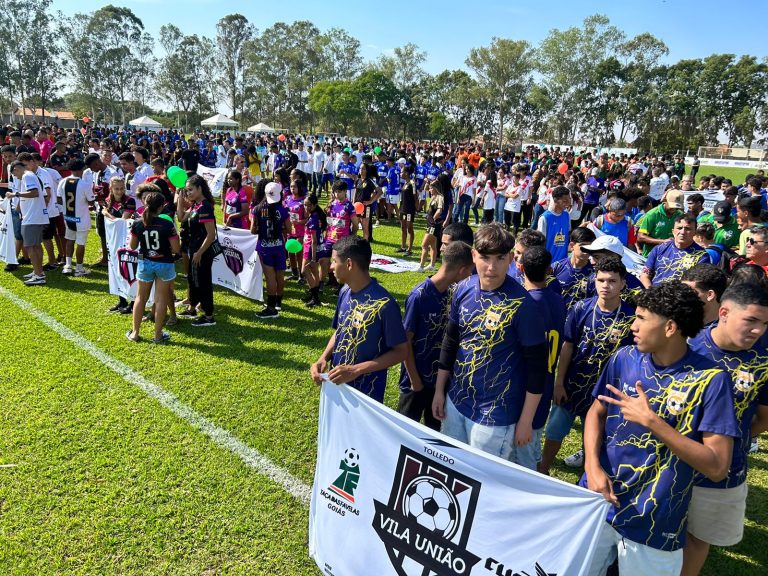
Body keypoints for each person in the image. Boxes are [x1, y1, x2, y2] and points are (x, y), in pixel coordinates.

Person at [582, 282, 739, 576]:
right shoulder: (624, 358)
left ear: (669, 328)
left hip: (656, 521)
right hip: (599, 501)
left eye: (642, 318)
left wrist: (653, 422)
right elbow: (596, 412)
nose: (633, 325)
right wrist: (591, 465)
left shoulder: (712, 380)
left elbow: (717, 467)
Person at [432, 223, 548, 468]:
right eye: (484, 257)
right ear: (473, 256)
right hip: (456, 401)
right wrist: (440, 390)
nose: (491, 267)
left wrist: (526, 420)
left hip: (496, 415)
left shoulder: (523, 306)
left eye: (500, 258)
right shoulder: (463, 289)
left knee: (480, 480)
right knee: (450, 469)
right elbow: (451, 341)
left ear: (510, 259)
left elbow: (538, 369)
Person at [681, 283, 768, 574]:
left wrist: (731, 442)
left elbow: (764, 418)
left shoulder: (764, 360)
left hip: (724, 472)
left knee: (697, 538)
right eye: (751, 320)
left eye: (765, 323)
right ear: (724, 313)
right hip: (671, 464)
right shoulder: (687, 345)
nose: (758, 330)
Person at [539, 257, 635, 475]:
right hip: (572, 386)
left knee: (594, 440)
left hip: (604, 393)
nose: (606, 286)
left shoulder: (630, 318)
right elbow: (568, 346)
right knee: (554, 431)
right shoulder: (581, 308)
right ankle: (543, 467)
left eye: (612, 281)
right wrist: (559, 383)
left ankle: (586, 478)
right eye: (601, 280)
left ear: (622, 283)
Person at [310, 235, 408, 402]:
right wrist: (323, 357)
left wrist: (356, 370)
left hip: (366, 396)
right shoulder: (344, 292)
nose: (331, 267)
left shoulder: (384, 305)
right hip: (338, 386)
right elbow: (341, 330)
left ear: (349, 264)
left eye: (334, 261)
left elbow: (401, 352)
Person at [398, 241, 474, 430]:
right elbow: (404, 343)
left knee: (435, 434)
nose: (472, 276)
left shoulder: (453, 293)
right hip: (414, 383)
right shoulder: (419, 297)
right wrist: (415, 381)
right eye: (470, 270)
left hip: (439, 383)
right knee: (406, 433)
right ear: (462, 269)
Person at [521, 245, 567, 472]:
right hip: (547, 380)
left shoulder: (526, 303)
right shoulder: (558, 300)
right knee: (533, 438)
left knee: (521, 452)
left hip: (525, 384)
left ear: (520, 268)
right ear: (549, 270)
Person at [126, 191, 180, 344]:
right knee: (161, 299)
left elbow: (132, 245)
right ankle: (157, 335)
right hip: (164, 263)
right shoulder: (167, 224)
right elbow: (176, 249)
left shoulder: (138, 223)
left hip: (145, 263)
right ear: (161, 206)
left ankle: (135, 333)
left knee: (140, 298)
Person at [177, 174, 217, 327]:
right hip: (193, 250)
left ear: (200, 188)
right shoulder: (195, 205)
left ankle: (208, 316)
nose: (188, 193)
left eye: (190, 190)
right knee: (193, 280)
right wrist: (180, 200)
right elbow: (181, 218)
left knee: (203, 282)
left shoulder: (205, 206)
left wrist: (199, 253)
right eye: (186, 190)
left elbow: (211, 235)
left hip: (202, 252)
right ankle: (192, 308)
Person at [250, 181, 290, 318]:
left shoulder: (257, 209)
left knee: (270, 278)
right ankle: (278, 303)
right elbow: (290, 229)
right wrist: (279, 228)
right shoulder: (283, 210)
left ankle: (271, 308)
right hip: (279, 246)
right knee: (280, 275)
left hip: (264, 247)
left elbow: (252, 230)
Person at [640, 213, 710, 287]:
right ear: (673, 231)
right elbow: (644, 275)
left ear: (695, 232)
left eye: (688, 229)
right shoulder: (659, 249)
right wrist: (650, 292)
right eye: (679, 228)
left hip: (681, 296)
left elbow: (697, 285)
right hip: (654, 294)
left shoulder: (702, 256)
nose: (682, 232)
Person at [7, 160, 48, 285]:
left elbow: (34, 192)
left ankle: (39, 275)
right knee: (35, 245)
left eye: (15, 175)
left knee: (30, 246)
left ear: (16, 169)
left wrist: (15, 194)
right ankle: (38, 271)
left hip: (32, 217)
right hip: (34, 216)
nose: (16, 177)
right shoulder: (30, 175)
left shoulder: (26, 176)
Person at [57, 159, 95, 277]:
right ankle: (79, 268)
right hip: (81, 218)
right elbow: (91, 201)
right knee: (80, 243)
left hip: (68, 217)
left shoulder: (62, 182)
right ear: (82, 169)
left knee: (69, 239)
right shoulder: (85, 184)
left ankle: (68, 266)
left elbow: (59, 199)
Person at [552, 227, 596, 310]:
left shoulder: (595, 274)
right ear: (572, 246)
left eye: (590, 247)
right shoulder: (556, 267)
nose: (586, 251)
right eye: (583, 246)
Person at [637, 190, 685, 257]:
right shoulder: (652, 215)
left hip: (672, 257)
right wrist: (663, 241)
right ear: (665, 200)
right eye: (672, 205)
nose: (674, 209)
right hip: (652, 257)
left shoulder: (680, 215)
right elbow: (640, 237)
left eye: (677, 207)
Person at [301, 193, 327, 308]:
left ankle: (315, 297)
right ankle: (314, 295)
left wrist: (313, 257)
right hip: (313, 248)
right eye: (305, 205)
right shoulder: (316, 215)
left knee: (304, 271)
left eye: (309, 205)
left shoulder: (313, 219)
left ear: (315, 205)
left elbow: (314, 241)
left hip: (311, 250)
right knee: (315, 272)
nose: (306, 208)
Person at [537, 186, 571, 262]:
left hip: (563, 262)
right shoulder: (545, 218)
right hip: (549, 263)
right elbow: (540, 243)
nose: (568, 203)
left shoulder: (566, 215)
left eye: (569, 199)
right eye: (565, 201)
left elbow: (568, 234)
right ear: (556, 200)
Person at [418, 181, 445, 272]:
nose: (430, 190)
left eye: (431, 188)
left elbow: (439, 210)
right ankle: (432, 265)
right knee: (433, 245)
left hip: (433, 225)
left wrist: (434, 218)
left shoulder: (440, 197)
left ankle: (421, 266)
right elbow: (425, 189)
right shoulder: (433, 196)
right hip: (430, 224)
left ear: (436, 188)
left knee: (424, 245)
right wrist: (427, 183)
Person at [284, 179, 307, 281]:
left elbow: (307, 219)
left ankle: (302, 276)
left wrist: (299, 222)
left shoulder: (304, 201)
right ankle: (294, 273)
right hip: (290, 231)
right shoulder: (287, 199)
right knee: (290, 253)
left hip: (301, 232)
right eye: (291, 187)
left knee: (299, 253)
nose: (292, 189)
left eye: (295, 187)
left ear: (300, 188)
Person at [397, 164, 416, 255]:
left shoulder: (412, 183)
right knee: (403, 228)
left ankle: (409, 249)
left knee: (409, 229)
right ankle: (403, 246)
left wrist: (414, 209)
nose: (401, 173)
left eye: (402, 172)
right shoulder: (405, 183)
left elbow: (415, 197)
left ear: (407, 173)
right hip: (403, 209)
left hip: (409, 210)